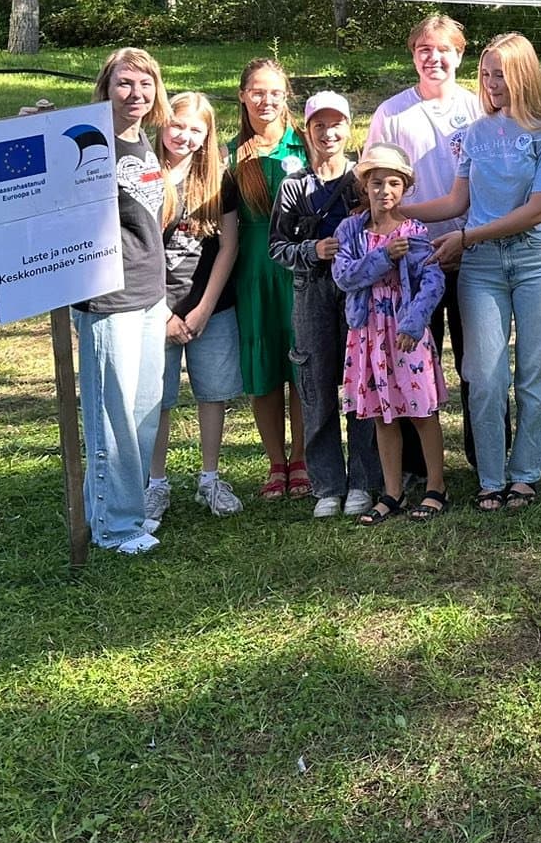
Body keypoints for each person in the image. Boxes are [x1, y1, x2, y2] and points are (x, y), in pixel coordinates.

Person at [408, 34, 541, 511]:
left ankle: (524, 475)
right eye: (485, 74)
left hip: (536, 263)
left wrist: (466, 238)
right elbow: (457, 202)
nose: (491, 83)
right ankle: (490, 478)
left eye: (500, 73)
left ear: (523, 74)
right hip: (481, 268)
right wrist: (399, 209)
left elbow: (538, 210)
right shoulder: (476, 133)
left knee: (533, 376)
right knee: (483, 374)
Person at [370, 15, 487, 466]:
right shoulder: (392, 113)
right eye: (424, 49)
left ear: (459, 54)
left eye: (443, 49)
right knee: (411, 358)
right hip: (413, 259)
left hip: (470, 250)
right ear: (413, 54)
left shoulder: (478, 109)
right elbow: (378, 185)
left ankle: (487, 458)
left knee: (477, 364)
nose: (433, 58)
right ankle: (418, 466)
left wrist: (468, 235)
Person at [72, 48, 170, 554]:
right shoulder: (93, 141)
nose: (136, 94)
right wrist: (35, 127)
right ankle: (114, 526)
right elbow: (47, 181)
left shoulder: (141, 140)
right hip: (108, 298)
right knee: (112, 417)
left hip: (150, 294)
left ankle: (121, 509)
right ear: (106, 88)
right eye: (124, 84)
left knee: (143, 411)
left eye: (145, 84)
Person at [270, 92, 374, 519]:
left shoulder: (362, 182)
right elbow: (277, 246)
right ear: (307, 130)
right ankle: (327, 483)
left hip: (360, 294)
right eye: (319, 125)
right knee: (315, 386)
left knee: (362, 384)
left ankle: (365, 481)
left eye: (336, 125)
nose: (328, 133)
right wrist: (314, 249)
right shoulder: (294, 187)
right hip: (310, 290)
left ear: (349, 128)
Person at [335, 145, 450, 523]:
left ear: (405, 188)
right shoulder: (351, 231)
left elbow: (432, 281)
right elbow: (345, 276)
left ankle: (436, 486)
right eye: (377, 183)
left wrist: (414, 323)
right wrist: (384, 257)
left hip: (404, 332)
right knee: (383, 414)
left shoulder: (414, 231)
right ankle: (392, 491)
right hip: (368, 333)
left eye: (394, 183)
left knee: (420, 409)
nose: (385, 191)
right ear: (364, 187)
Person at [144, 91, 244, 520]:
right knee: (158, 398)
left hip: (210, 307)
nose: (184, 136)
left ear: (207, 136)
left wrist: (204, 307)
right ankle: (156, 483)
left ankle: (209, 477)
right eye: (177, 125)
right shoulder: (143, 175)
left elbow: (228, 248)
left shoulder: (220, 179)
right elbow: (135, 253)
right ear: (161, 124)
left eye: (195, 130)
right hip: (153, 308)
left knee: (214, 393)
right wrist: (163, 313)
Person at [228, 58, 309, 500]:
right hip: (254, 270)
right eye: (257, 91)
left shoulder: (305, 146)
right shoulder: (229, 153)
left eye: (275, 92)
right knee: (265, 367)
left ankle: (302, 458)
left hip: (299, 269)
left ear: (286, 96)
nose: (266, 100)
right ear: (242, 95)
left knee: (300, 365)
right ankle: (276, 463)